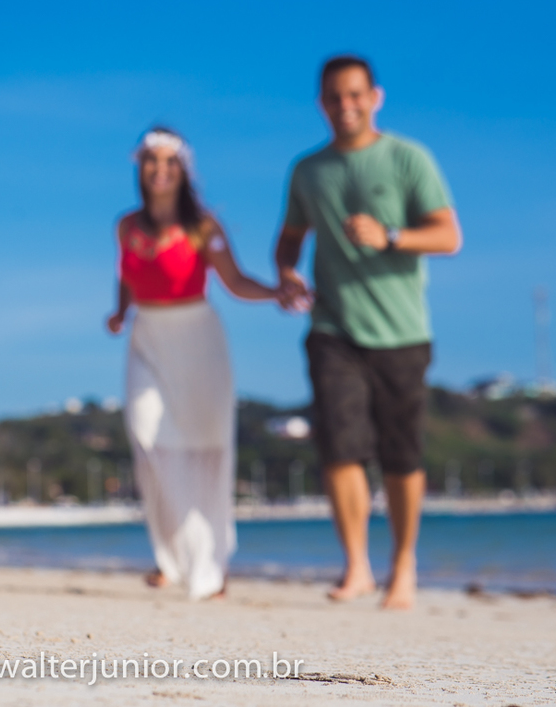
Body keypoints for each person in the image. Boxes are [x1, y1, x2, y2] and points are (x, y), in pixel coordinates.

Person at [274, 55, 462, 610]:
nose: (345, 106)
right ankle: (356, 566)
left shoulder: (408, 158)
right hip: (333, 325)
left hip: (402, 330)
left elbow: (449, 235)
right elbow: (289, 237)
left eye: (355, 95)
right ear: (321, 104)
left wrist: (390, 235)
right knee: (339, 447)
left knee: (401, 455)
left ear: (375, 97)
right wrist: (286, 271)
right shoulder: (308, 171)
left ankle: (403, 566)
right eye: (334, 96)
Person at [107, 127, 279, 601]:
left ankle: (209, 564)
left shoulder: (204, 226)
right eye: (151, 161)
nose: (160, 170)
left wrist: (276, 292)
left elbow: (236, 280)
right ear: (139, 168)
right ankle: (170, 558)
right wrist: (121, 311)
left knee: (207, 448)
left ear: (183, 171)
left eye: (170, 162)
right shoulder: (127, 227)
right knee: (146, 436)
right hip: (147, 334)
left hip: (198, 336)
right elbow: (126, 275)